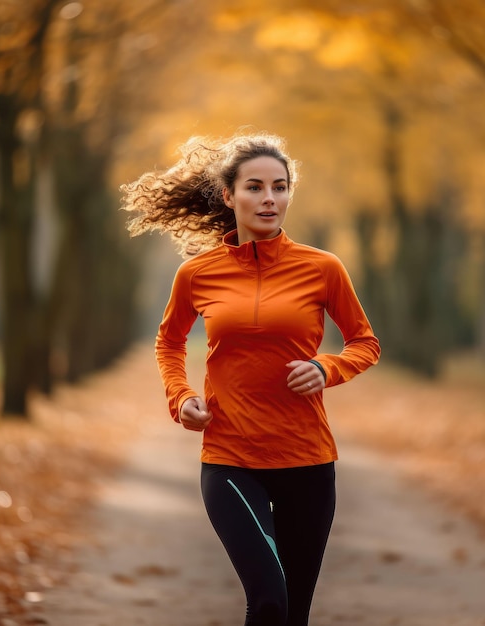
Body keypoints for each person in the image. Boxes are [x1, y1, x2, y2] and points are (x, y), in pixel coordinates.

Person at [120, 132, 380, 626]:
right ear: (228, 195)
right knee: (267, 602)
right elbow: (169, 342)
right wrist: (181, 397)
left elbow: (364, 343)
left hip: (307, 458)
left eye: (279, 188)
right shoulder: (197, 274)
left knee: (294, 612)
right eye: (255, 187)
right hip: (231, 457)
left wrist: (326, 368)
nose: (269, 199)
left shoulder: (323, 268)